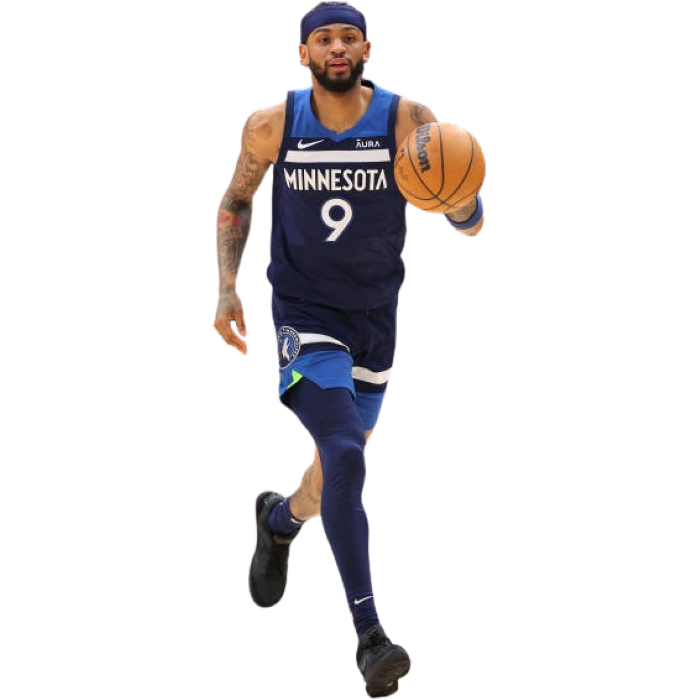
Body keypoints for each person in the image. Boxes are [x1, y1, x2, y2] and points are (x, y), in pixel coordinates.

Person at [214, 2, 484, 697]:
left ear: (367, 50)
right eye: (323, 39)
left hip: (375, 322)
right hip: (304, 317)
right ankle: (370, 635)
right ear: (303, 54)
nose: (337, 47)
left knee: (330, 473)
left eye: (349, 38)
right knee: (343, 451)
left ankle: (279, 520)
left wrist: (460, 203)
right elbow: (237, 201)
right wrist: (226, 288)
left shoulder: (408, 119)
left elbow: (467, 221)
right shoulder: (272, 124)